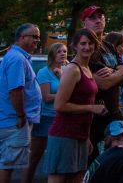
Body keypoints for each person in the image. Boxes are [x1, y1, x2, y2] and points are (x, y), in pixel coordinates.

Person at [42, 28, 106, 183]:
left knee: (78, 178)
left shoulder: (87, 68)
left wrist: (87, 138)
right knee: (58, 179)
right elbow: (59, 105)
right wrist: (92, 108)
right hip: (64, 134)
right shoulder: (72, 69)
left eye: (90, 43)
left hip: (81, 135)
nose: (87, 47)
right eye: (83, 43)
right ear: (75, 46)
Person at [80, 6, 123, 160]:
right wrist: (120, 72)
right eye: (93, 18)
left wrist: (118, 72)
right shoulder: (86, 49)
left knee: (118, 159)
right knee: (96, 163)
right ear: (84, 23)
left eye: (101, 17)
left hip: (114, 114)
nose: (98, 20)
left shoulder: (110, 47)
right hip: (94, 117)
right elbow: (103, 84)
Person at [0, 23, 42, 183]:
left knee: (7, 162)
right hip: (13, 121)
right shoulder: (17, 59)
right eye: (35, 37)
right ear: (23, 37)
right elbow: (15, 89)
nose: (37, 40)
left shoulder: (16, 57)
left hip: (11, 120)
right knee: (7, 164)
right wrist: (21, 115)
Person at [26, 42, 67, 183]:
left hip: (62, 118)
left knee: (58, 156)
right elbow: (47, 97)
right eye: (59, 51)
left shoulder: (67, 71)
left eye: (65, 51)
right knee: (35, 156)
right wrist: (65, 96)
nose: (63, 54)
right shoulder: (44, 72)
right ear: (52, 55)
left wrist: (62, 77)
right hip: (46, 117)